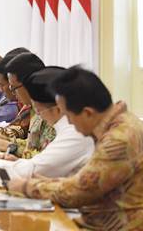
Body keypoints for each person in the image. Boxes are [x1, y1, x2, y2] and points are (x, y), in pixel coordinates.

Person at [8, 66, 143, 230]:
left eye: (69, 116)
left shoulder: (119, 139)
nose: (69, 123)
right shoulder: (119, 123)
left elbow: (78, 191)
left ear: (87, 113)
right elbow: (84, 182)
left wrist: (26, 187)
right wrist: (46, 182)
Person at [0, 67, 94, 179]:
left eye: (39, 110)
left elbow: (36, 170)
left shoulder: (74, 131)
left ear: (59, 107)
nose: (39, 115)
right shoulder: (69, 126)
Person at [4, 52, 55, 158]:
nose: (13, 93)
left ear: (29, 84)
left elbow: (46, 158)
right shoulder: (33, 108)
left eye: (14, 88)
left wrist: (12, 147)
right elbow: (33, 143)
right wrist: (7, 141)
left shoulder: (52, 110)